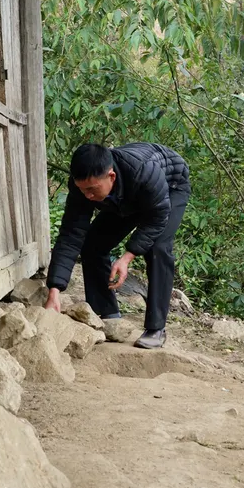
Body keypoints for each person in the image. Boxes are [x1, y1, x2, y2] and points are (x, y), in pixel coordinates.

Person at [43, 142, 190, 349]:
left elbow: (157, 217)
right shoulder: (84, 186)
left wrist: (128, 256)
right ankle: (107, 314)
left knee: (157, 248)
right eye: (82, 190)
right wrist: (54, 291)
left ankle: (156, 329)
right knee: (92, 244)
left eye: (92, 190)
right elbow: (71, 235)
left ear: (111, 176)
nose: (88, 197)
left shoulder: (143, 170)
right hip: (125, 196)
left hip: (170, 187)